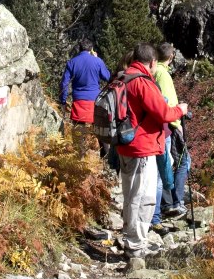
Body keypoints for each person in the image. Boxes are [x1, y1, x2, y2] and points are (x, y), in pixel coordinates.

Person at [116, 42, 187, 256]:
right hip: (142, 146)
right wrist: (180, 110)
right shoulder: (142, 82)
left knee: (130, 194)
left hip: (124, 144)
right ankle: (136, 246)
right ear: (153, 62)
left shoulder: (122, 77)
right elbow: (163, 113)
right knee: (144, 196)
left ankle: (130, 237)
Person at [152, 42, 188, 224]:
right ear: (171, 57)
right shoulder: (163, 74)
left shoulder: (154, 71)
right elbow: (166, 104)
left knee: (165, 165)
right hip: (169, 125)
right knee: (182, 162)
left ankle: (166, 204)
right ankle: (174, 202)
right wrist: (177, 123)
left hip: (162, 125)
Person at [59, 39, 111, 155]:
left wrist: (62, 101)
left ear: (79, 48)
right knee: (101, 133)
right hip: (95, 102)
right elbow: (108, 77)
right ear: (91, 49)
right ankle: (106, 162)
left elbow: (64, 84)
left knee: (78, 135)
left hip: (79, 101)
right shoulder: (97, 61)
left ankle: (79, 163)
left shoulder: (72, 62)